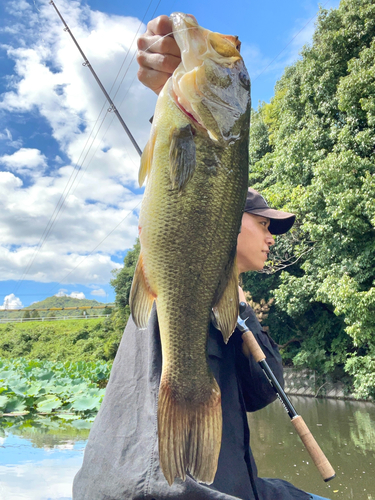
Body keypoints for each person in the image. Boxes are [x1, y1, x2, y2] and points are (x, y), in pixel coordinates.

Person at [72, 16, 331, 500]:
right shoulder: (183, 283)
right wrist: (171, 86)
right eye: (266, 223)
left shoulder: (230, 302)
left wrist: (243, 309)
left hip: (242, 481)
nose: (273, 235)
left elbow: (258, 394)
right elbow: (185, 173)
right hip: (171, 489)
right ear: (227, 218)